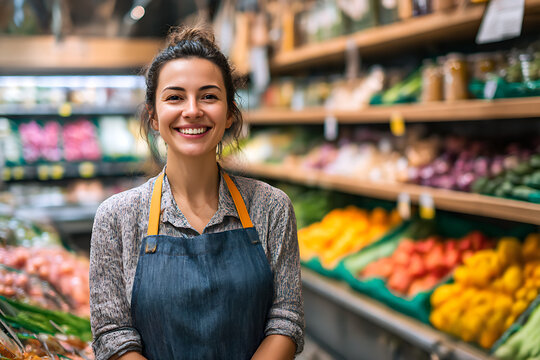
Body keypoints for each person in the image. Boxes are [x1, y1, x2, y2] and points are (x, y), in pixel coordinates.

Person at [89, 25, 304, 360]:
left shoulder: (272, 207)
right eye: (175, 97)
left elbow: (285, 320)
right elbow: (112, 336)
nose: (192, 110)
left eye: (209, 96)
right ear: (154, 116)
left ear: (230, 113)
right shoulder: (116, 217)